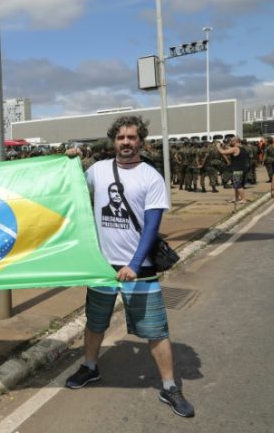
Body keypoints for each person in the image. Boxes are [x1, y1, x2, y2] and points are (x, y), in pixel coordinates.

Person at [64, 115, 195, 418]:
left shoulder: (151, 177)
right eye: (121, 137)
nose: (126, 142)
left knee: (155, 330)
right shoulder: (97, 170)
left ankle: (169, 386)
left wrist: (135, 264)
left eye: (132, 138)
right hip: (102, 267)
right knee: (96, 322)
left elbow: (151, 226)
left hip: (140, 269)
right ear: (114, 141)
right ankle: (90, 367)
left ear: (141, 141)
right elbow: (70, 192)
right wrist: (70, 162)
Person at [215, 137, 248, 203]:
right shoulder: (242, 148)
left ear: (235, 141)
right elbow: (230, 149)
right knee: (236, 185)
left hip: (237, 169)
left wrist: (218, 147)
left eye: (231, 141)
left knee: (238, 185)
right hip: (242, 168)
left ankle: (243, 199)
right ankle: (236, 198)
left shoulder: (235, 149)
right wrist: (224, 146)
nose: (230, 142)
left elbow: (223, 152)